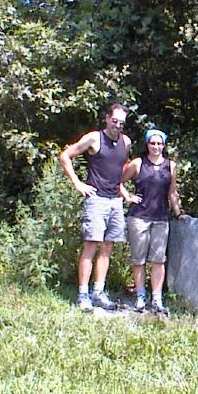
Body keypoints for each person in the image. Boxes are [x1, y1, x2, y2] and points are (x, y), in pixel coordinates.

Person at [59, 103, 137, 312]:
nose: (117, 125)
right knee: (91, 246)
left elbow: (119, 171)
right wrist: (77, 183)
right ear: (107, 119)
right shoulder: (94, 138)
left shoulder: (126, 142)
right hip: (96, 200)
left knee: (107, 248)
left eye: (121, 123)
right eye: (114, 121)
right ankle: (83, 295)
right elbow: (65, 156)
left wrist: (125, 194)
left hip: (115, 202)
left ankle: (98, 292)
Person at [121, 128, 188, 314]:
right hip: (139, 217)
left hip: (161, 218)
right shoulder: (138, 163)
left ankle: (157, 298)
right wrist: (128, 196)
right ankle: (141, 296)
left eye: (159, 143)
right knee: (139, 259)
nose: (156, 147)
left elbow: (172, 192)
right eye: (152, 143)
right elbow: (118, 181)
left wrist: (178, 212)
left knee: (158, 260)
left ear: (164, 145)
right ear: (147, 144)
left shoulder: (171, 166)